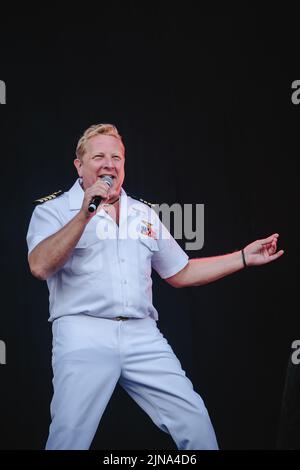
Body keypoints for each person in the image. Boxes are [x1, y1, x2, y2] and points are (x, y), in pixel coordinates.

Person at [26, 123, 284, 450]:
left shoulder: (143, 213)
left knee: (195, 424)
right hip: (83, 332)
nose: (109, 164)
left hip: (142, 334)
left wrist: (243, 257)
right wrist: (84, 215)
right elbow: (39, 265)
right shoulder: (53, 210)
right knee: (69, 437)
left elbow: (182, 272)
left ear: (124, 164)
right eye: (99, 157)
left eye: (116, 157)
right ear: (79, 165)